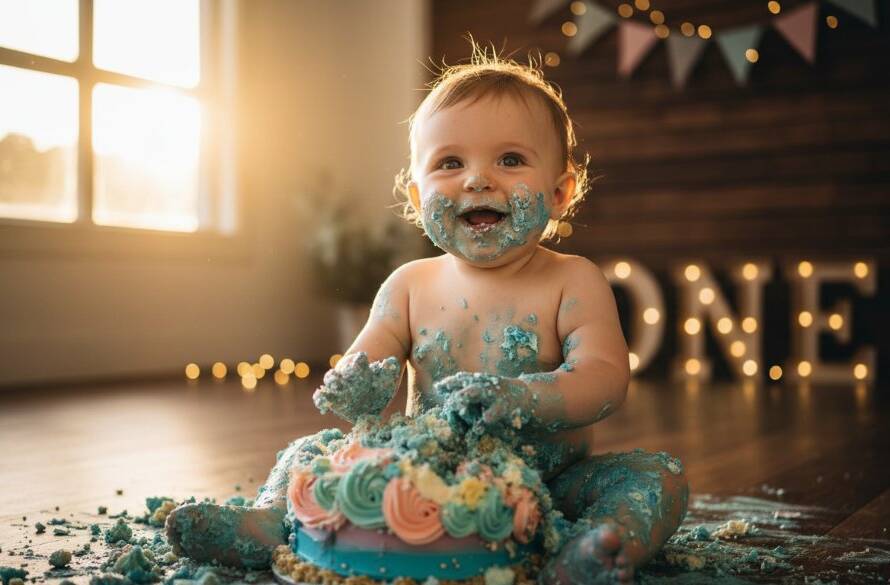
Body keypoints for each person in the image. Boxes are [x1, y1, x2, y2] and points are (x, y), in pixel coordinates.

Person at [167, 45, 688, 584]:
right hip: (421, 472)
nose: (478, 179)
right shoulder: (409, 285)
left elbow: (605, 378)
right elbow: (367, 362)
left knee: (658, 477)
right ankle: (269, 522)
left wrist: (524, 398)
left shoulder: (572, 280)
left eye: (510, 160)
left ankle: (594, 547)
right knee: (309, 451)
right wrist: (356, 385)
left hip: (551, 481)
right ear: (418, 199)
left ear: (559, 193)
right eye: (450, 163)